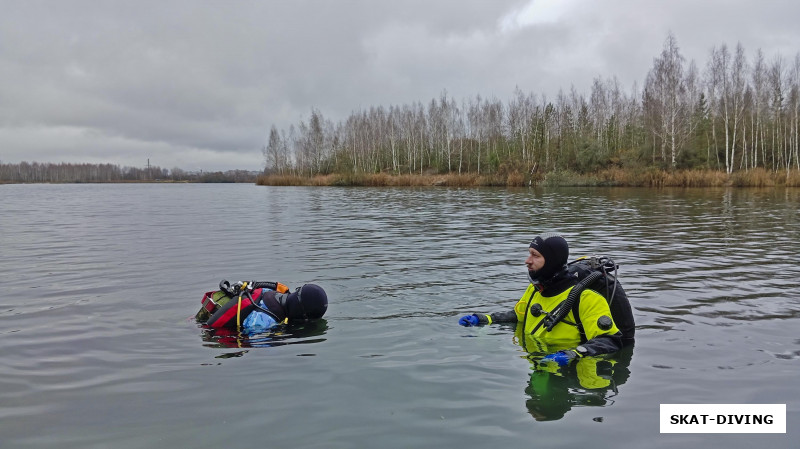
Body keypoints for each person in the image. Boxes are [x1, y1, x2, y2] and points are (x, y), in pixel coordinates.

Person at [458, 232, 626, 365]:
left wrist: (573, 354)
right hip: (538, 364)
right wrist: (485, 319)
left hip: (568, 370)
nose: (527, 261)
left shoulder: (586, 299)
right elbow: (519, 316)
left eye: (535, 255)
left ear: (552, 261)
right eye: (529, 254)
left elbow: (610, 341)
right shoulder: (534, 290)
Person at [198, 281, 328, 333]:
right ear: (303, 315)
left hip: (207, 313)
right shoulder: (264, 321)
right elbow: (251, 339)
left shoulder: (271, 291)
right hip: (204, 329)